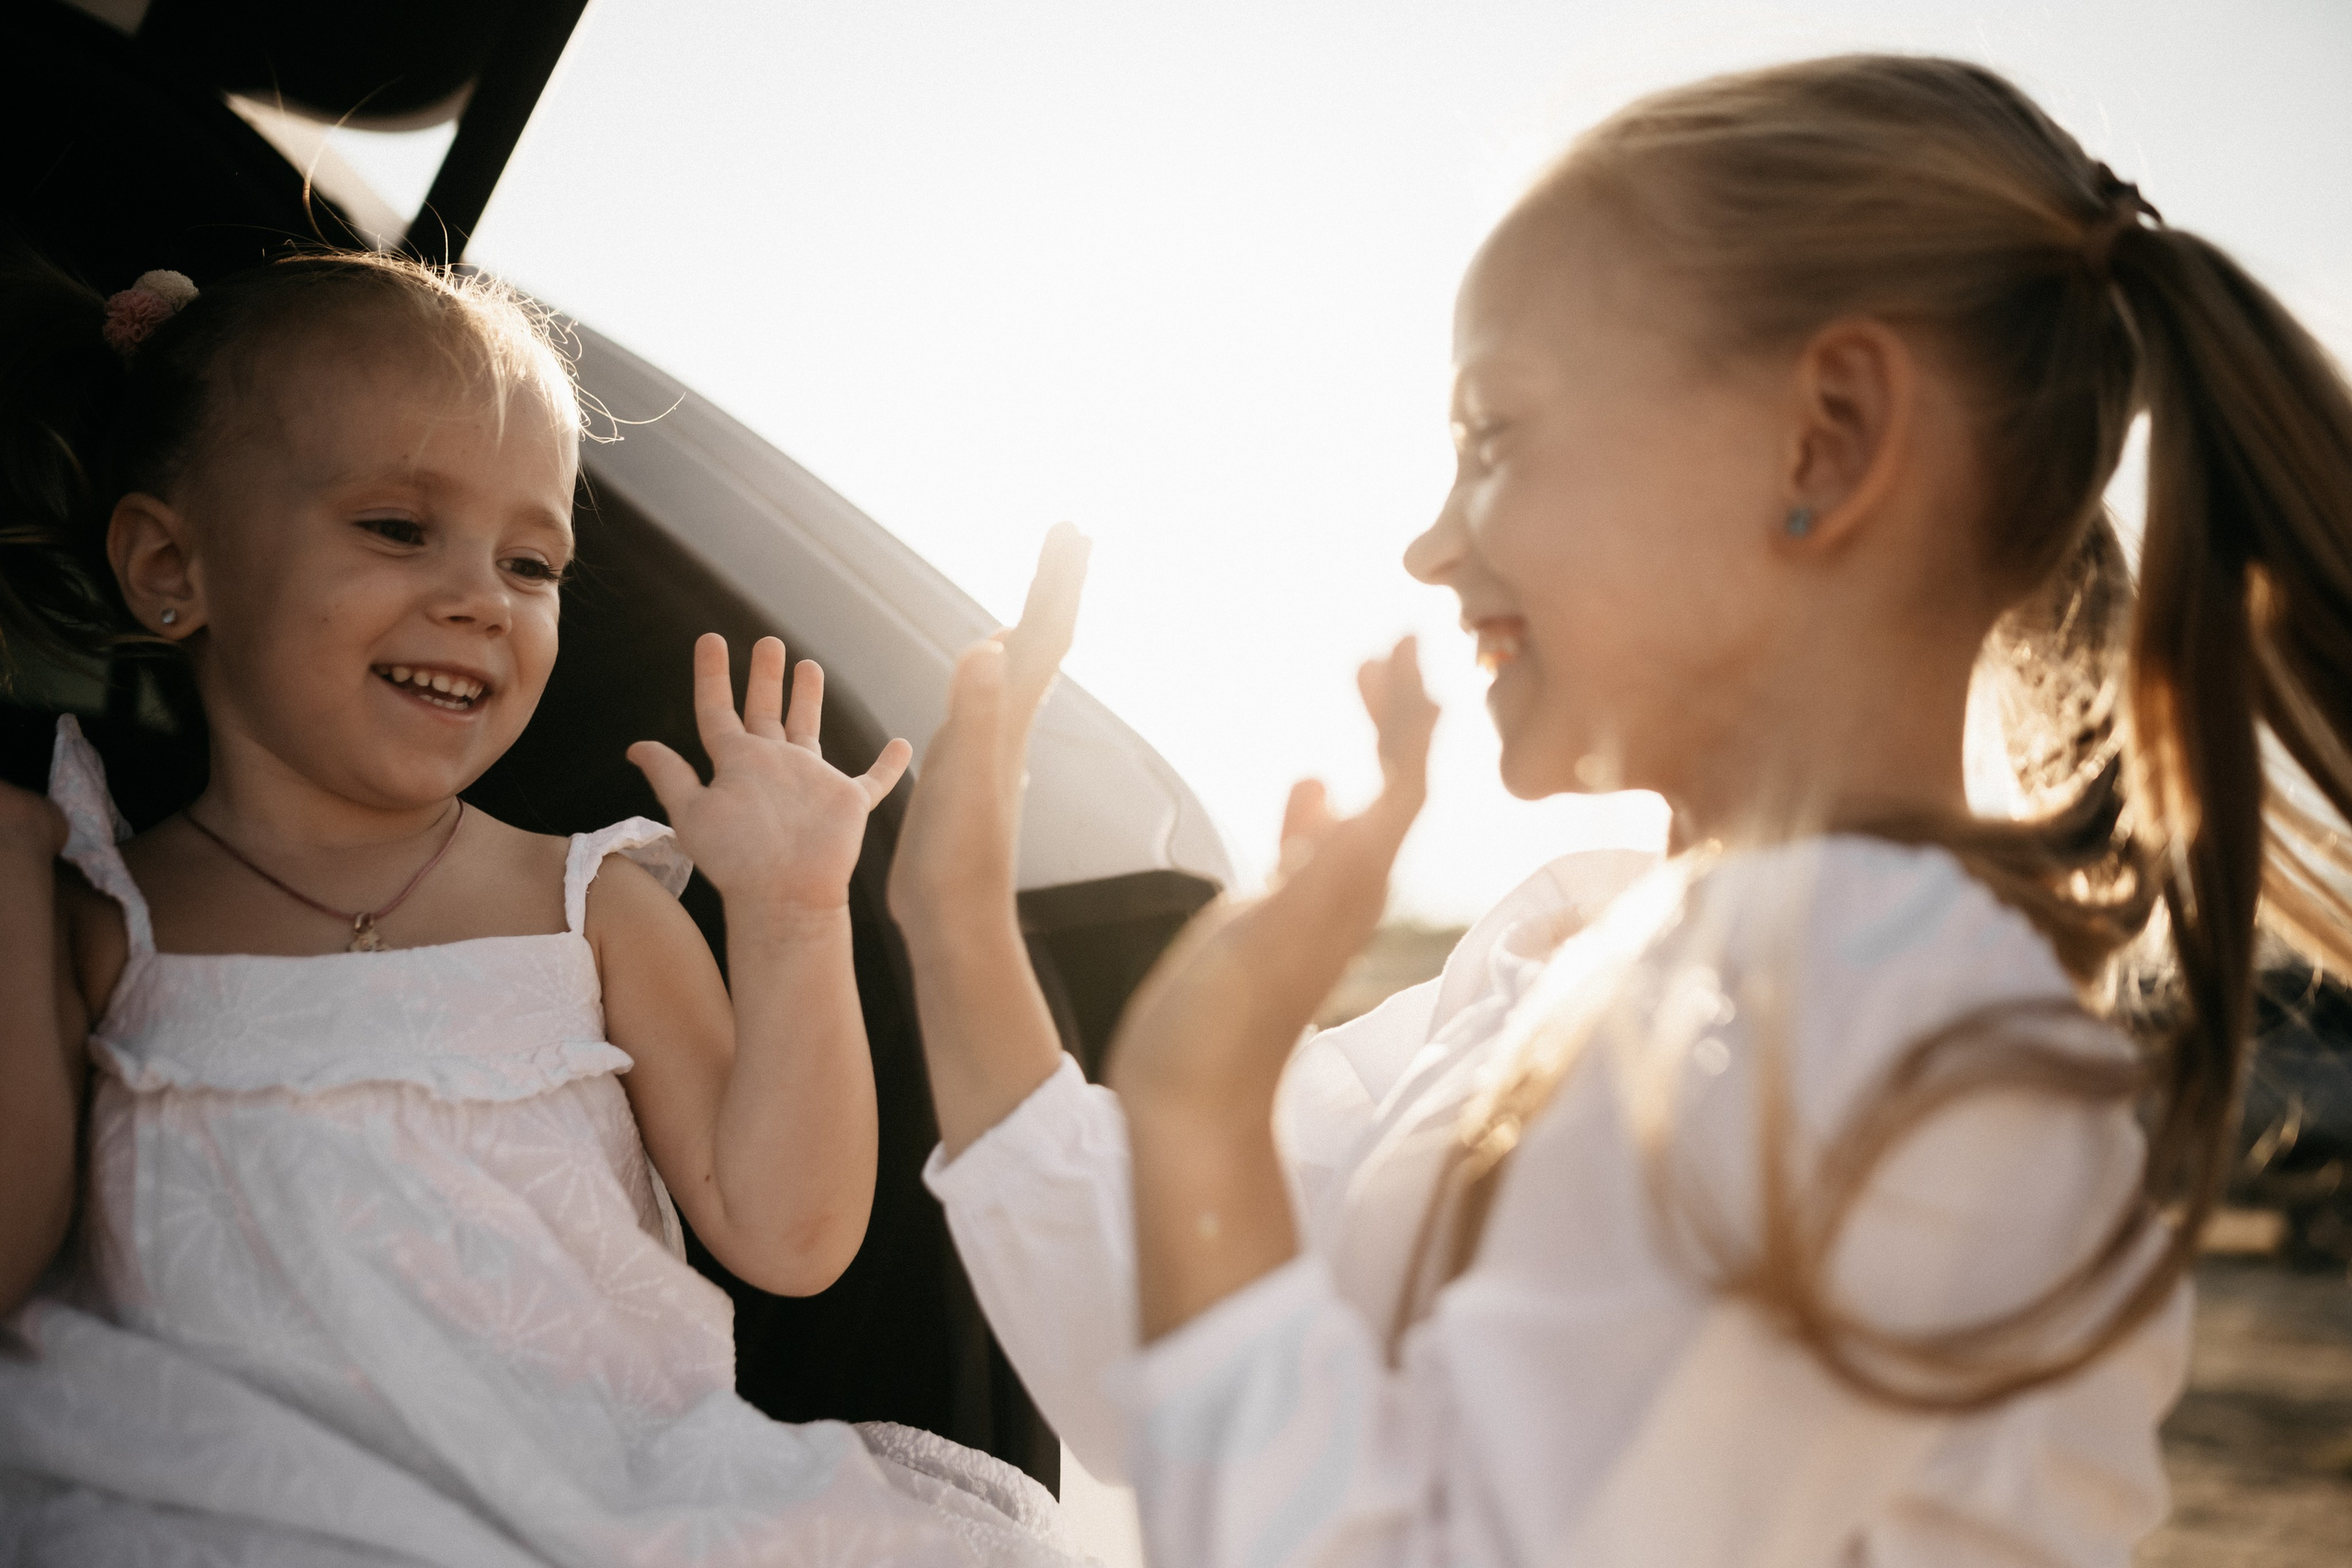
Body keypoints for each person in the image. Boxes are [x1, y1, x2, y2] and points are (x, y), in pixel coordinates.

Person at [889, 55, 2352, 1566]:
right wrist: (955, 928)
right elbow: (1186, 1343)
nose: (1428, 545)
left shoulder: (1882, 1048)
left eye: (1495, 438)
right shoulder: (1595, 951)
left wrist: (1205, 1105)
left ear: (1825, 440)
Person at [0, 251, 1082, 1565]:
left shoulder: (590, 911)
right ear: (173, 564)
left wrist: (794, 915)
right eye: (398, 528)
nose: (478, 598)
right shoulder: (99, 927)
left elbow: (788, 1235)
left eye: (531, 560)